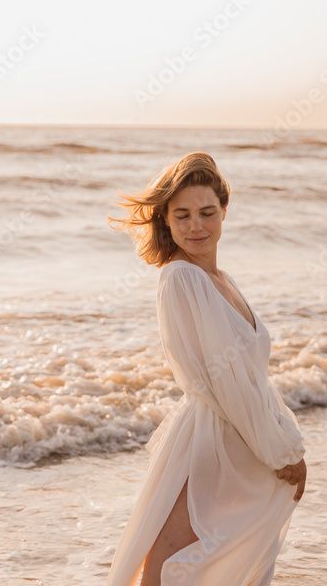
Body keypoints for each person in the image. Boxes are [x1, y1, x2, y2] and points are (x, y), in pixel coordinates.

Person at [103, 152, 306, 586]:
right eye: (183, 215)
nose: (196, 226)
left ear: (224, 211)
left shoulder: (221, 279)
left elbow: (251, 377)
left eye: (207, 212)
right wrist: (281, 452)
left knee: (207, 563)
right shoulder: (182, 277)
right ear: (167, 220)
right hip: (210, 440)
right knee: (167, 564)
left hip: (239, 439)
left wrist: (285, 441)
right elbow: (223, 381)